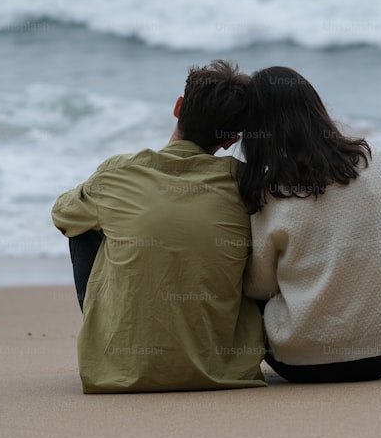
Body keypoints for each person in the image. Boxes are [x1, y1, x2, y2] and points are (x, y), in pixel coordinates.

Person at [51, 60, 266, 394]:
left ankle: (117, 339)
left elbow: (61, 215)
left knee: (84, 226)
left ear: (178, 107)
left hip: (119, 372)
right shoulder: (244, 182)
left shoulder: (120, 173)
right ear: (229, 140)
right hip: (223, 371)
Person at [238, 66, 381, 383]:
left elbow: (259, 286)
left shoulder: (266, 192)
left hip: (301, 362)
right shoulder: (375, 160)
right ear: (315, 107)